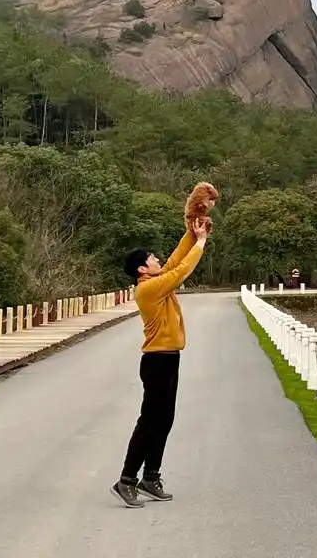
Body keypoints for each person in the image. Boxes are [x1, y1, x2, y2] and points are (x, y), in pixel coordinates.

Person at [110, 216, 210, 508]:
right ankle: (126, 480)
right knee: (150, 421)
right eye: (152, 258)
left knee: (164, 420)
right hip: (156, 361)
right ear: (142, 269)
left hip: (169, 359)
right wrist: (201, 243)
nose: (158, 260)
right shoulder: (149, 289)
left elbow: (175, 260)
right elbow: (181, 270)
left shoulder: (156, 281)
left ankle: (150, 477)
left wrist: (192, 233)